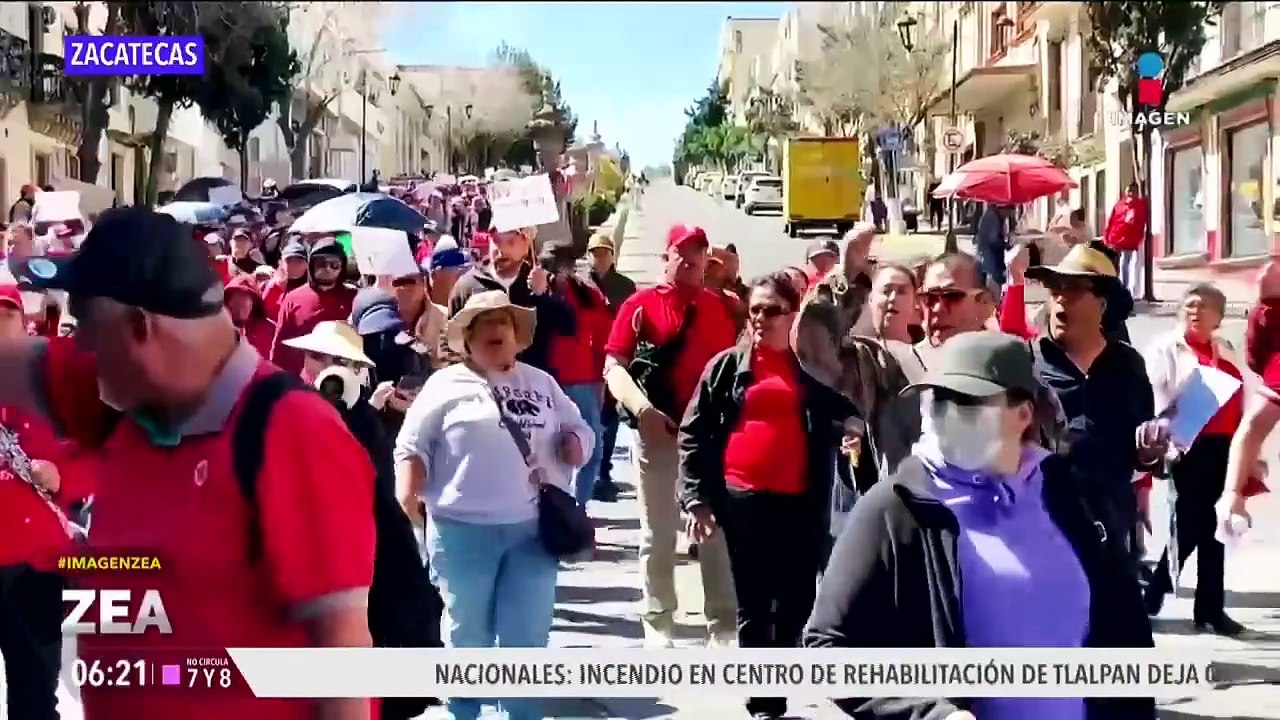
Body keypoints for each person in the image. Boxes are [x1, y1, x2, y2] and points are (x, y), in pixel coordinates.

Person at [2, 207, 376, 720]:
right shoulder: (121, 395)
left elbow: (344, 657)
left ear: (138, 326)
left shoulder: (291, 432)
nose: (76, 344)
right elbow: (12, 367)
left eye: (85, 326)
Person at [804, 331, 1156, 720]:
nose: (946, 412)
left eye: (967, 401)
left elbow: (1127, 634)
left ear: (1023, 413)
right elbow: (828, 647)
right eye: (937, 398)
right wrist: (931, 713)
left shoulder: (1072, 495)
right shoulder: (896, 508)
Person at [394, 291, 591, 720]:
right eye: (483, 323)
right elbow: (411, 446)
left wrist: (576, 443)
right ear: (467, 337)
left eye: (503, 321)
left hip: (534, 530)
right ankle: (463, 711)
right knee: (468, 634)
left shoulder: (541, 382)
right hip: (461, 530)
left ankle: (520, 713)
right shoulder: (444, 385)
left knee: (526, 635)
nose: (495, 329)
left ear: (517, 334)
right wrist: (407, 493)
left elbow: (579, 426)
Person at [679, 272, 857, 719]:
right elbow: (693, 432)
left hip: (799, 501)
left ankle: (774, 671)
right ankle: (765, 701)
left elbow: (839, 413)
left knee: (797, 600)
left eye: (771, 310)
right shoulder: (725, 368)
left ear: (791, 315)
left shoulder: (807, 373)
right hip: (744, 500)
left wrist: (850, 429)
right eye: (754, 309)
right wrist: (697, 498)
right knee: (755, 603)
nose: (760, 318)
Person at [603, 223, 738, 648]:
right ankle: (658, 617)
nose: (690, 259)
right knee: (658, 535)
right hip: (657, 435)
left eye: (697, 252)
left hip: (709, 439)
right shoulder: (640, 304)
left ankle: (724, 624)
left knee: (713, 532)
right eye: (682, 251)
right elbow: (613, 367)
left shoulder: (724, 307)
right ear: (667, 256)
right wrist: (642, 411)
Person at [1022, 244, 1169, 550]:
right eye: (1055, 289)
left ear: (1102, 305)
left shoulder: (1128, 365)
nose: (1061, 297)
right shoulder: (1026, 363)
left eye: (1074, 289)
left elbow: (1139, 455)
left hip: (1112, 529)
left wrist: (1148, 455)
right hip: (1044, 527)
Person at [0, 284, 95, 720]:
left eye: (5, 318)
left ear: (23, 323)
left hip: (34, 564)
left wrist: (62, 478)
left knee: (36, 692)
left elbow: (91, 461)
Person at [1141, 284, 1251, 635]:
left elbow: (1242, 396)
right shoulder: (1166, 348)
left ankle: (1209, 609)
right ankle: (1154, 592)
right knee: (1189, 524)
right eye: (1190, 305)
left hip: (1226, 447)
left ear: (1218, 317)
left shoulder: (1225, 350)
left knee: (1216, 529)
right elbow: (1152, 398)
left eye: (1204, 307)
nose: (1195, 311)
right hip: (1189, 445)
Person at [448, 228, 575, 378]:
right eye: (496, 241)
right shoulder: (467, 285)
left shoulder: (542, 280)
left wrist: (541, 295)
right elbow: (451, 340)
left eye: (510, 242)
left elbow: (569, 326)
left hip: (529, 387)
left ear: (526, 243)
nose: (501, 249)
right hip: (483, 386)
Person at [546, 247, 611, 506]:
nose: (559, 271)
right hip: (542, 380)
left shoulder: (587, 295)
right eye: (552, 265)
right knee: (546, 452)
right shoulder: (531, 292)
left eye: (563, 265)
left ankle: (577, 508)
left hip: (581, 382)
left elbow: (603, 339)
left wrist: (601, 380)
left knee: (591, 447)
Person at [587, 233, 637, 503]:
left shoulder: (625, 286)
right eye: (595, 253)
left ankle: (603, 473)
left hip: (616, 359)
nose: (599, 258)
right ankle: (592, 474)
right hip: (586, 363)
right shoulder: (581, 286)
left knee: (610, 419)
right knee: (590, 420)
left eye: (604, 252)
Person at [271, 238, 358, 375]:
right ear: (312, 265)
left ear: (342, 267)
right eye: (321, 263)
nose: (328, 268)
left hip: (343, 381)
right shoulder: (293, 298)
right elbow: (280, 347)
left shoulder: (355, 298)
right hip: (301, 381)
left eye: (334, 264)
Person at [1104, 182, 1148, 297]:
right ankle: (1118, 286)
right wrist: (1106, 236)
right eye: (1129, 191)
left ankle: (1123, 287)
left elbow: (1141, 223)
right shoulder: (1120, 205)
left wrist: (1138, 238)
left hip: (1128, 239)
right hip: (1116, 238)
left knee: (1125, 263)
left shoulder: (1139, 206)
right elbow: (1111, 221)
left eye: (1132, 191)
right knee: (1118, 263)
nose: (1130, 194)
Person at [224, 273, 276, 357]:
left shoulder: (269, 329)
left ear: (254, 303)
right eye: (237, 298)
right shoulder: (217, 329)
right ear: (229, 302)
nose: (243, 304)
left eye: (247, 300)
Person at [261, 241, 309, 322]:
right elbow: (266, 314)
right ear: (281, 263)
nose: (294, 265)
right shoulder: (273, 288)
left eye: (299, 261)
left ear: (307, 264)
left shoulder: (311, 288)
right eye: (289, 261)